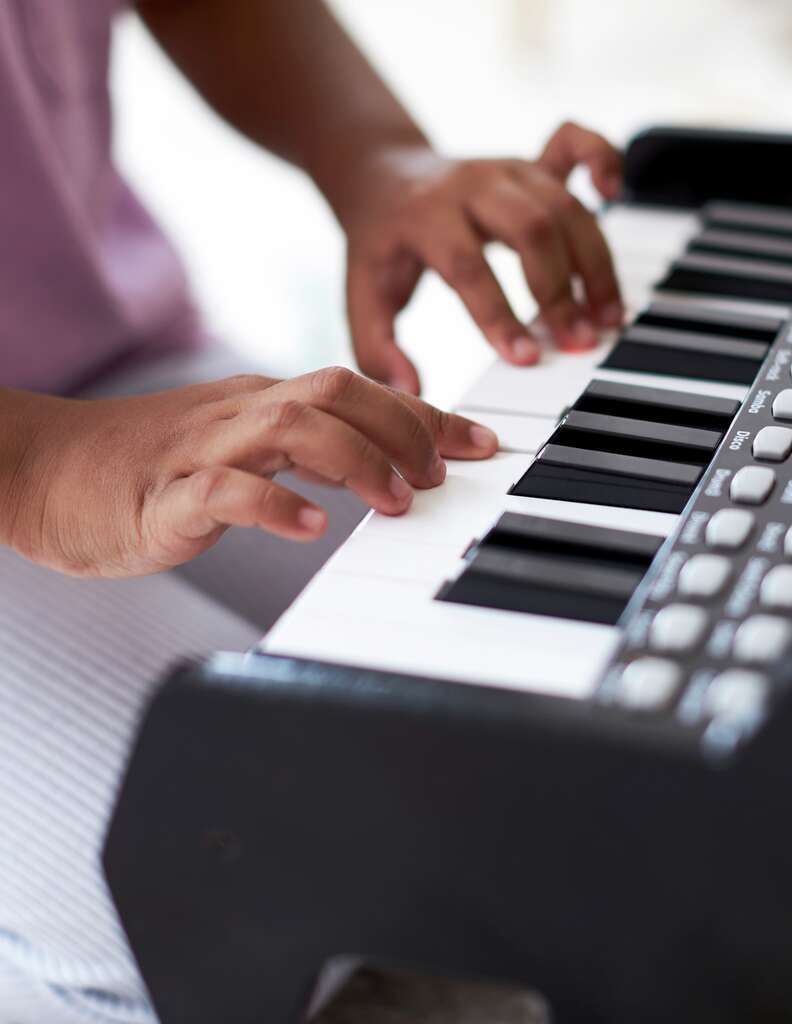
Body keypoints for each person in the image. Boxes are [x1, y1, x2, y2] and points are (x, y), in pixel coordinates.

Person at [0, 1, 625, 1020]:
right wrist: (30, 467)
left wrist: (377, 155)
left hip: (110, 363)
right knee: (206, 889)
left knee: (526, 673)